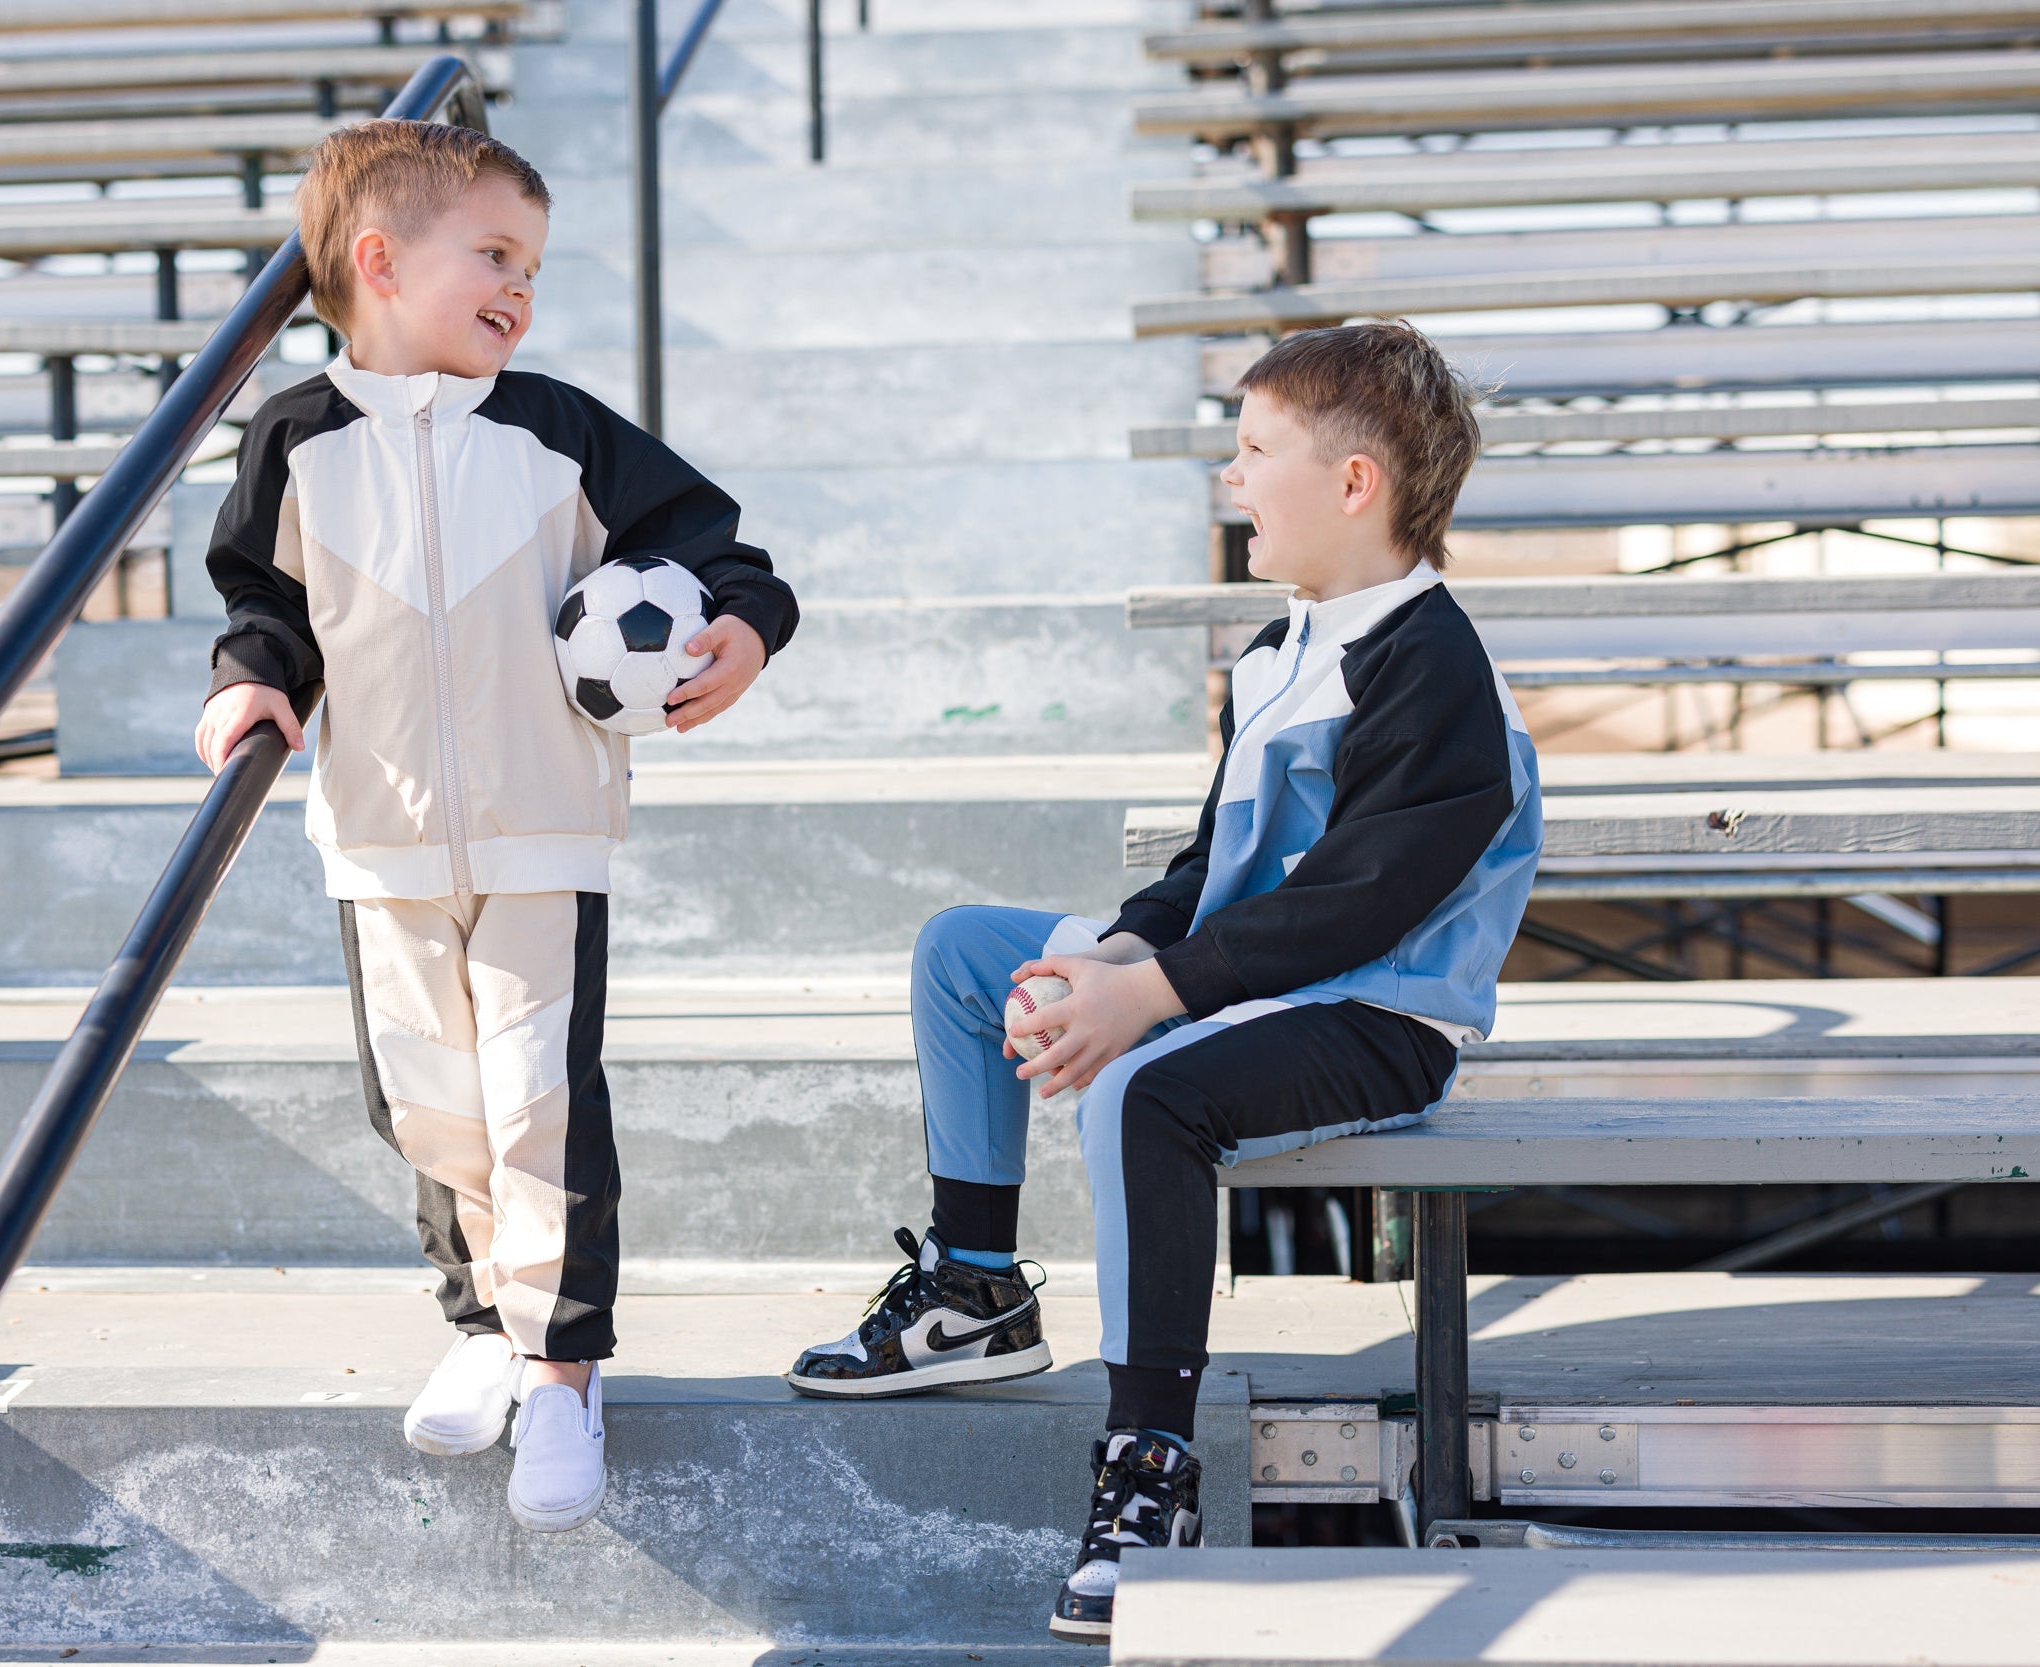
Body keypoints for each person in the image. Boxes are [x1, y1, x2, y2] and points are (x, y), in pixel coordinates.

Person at [784, 320, 1541, 1642]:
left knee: (1142, 1094)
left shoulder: (1436, 673)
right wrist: (1126, 952)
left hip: (1374, 1019)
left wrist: (1152, 998)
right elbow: (1211, 868)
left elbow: (1362, 907)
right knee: (971, 949)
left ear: (1354, 484)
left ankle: (1151, 1474)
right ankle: (976, 1290)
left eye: (1253, 452)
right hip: (1236, 980)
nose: (1231, 480)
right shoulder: (1282, 647)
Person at [194, 118, 797, 1534]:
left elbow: (725, 551)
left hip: (542, 832)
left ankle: (566, 1371)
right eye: (496, 255)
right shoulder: (294, 438)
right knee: (426, 1105)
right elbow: (265, 607)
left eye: (533, 263)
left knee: (540, 1107)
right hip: (379, 839)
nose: (522, 287)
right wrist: (249, 687)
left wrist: (744, 632)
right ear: (381, 261)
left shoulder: (557, 429)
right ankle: (479, 1325)